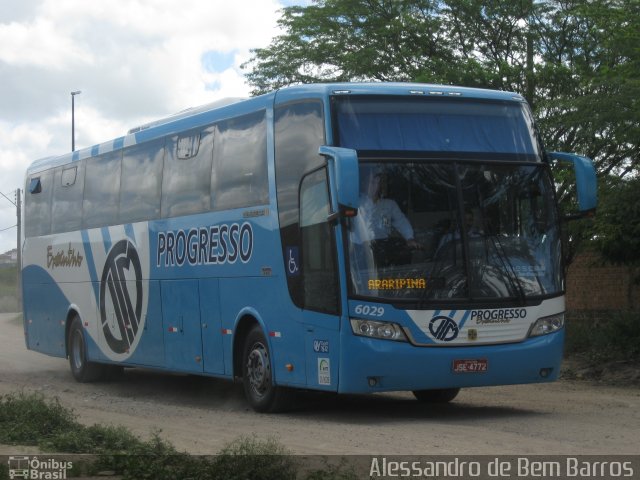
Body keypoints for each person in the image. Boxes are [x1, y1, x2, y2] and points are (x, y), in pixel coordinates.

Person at [351, 170, 419, 267]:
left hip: (384, 248)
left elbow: (401, 221)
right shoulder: (355, 204)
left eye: (376, 183)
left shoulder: (389, 204)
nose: (373, 186)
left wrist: (409, 238)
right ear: (364, 183)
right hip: (361, 249)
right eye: (371, 182)